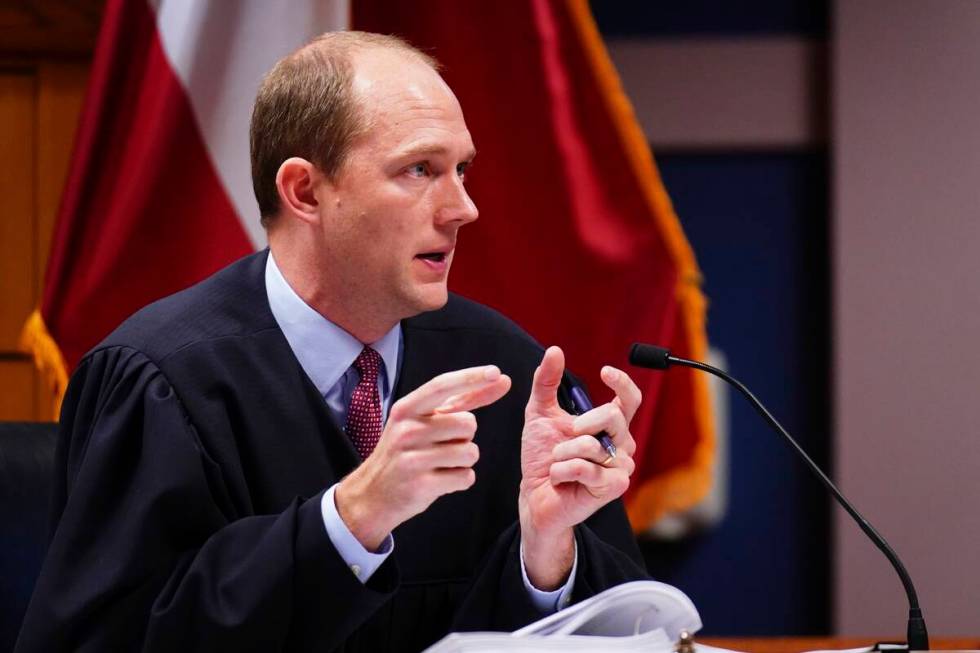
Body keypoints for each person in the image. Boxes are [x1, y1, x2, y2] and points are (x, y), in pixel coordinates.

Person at [16, 31, 648, 652]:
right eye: (420, 169)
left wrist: (545, 552)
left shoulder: (506, 371)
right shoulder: (160, 380)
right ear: (305, 191)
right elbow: (109, 638)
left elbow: (638, 633)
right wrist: (353, 516)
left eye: (462, 170)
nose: (463, 208)